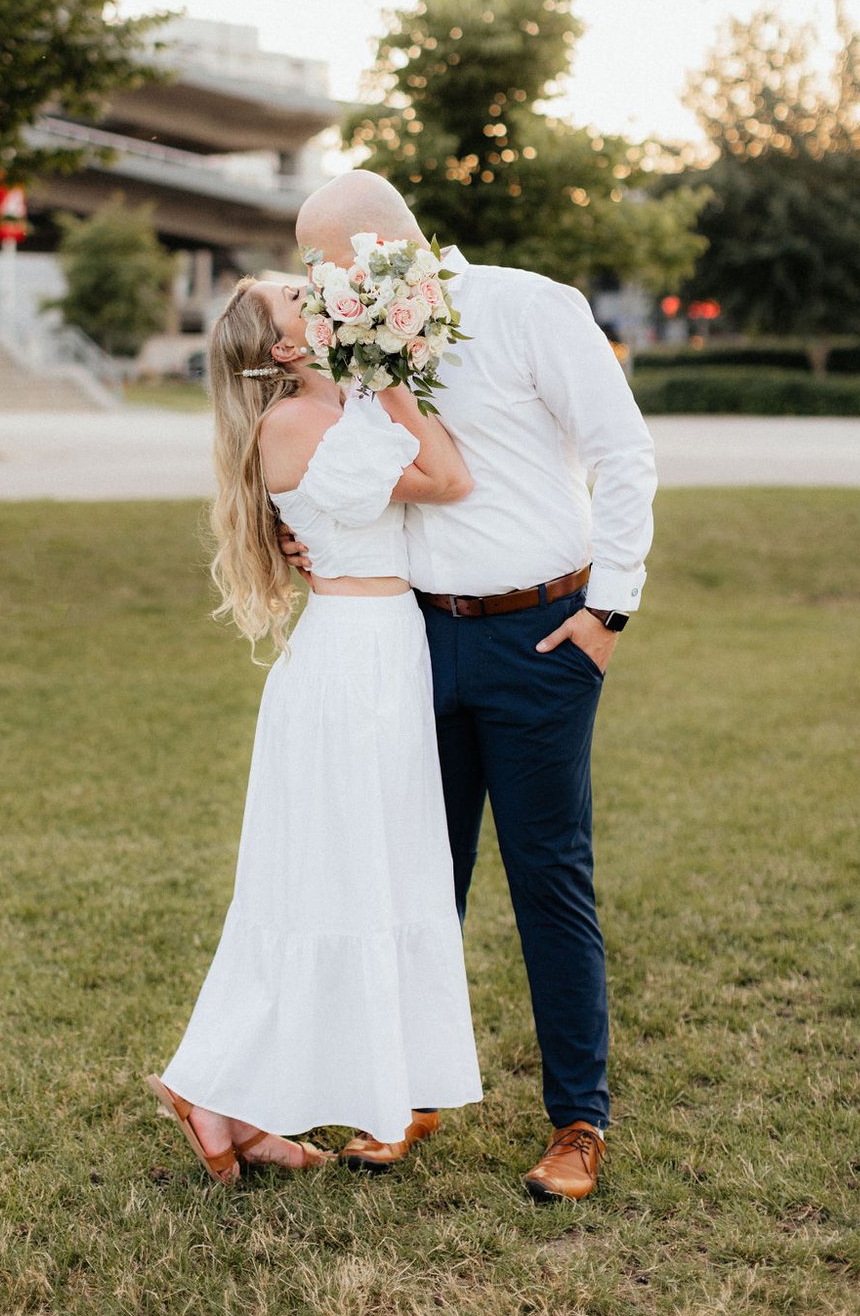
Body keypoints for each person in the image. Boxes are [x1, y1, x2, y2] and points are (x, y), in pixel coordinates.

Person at [284, 170, 658, 1200]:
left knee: (547, 878)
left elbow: (624, 454)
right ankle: (408, 1090)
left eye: (321, 263)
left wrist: (607, 611)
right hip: (412, 636)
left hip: (543, 633)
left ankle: (577, 1121)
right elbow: (365, 467)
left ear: (368, 249)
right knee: (413, 875)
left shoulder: (531, 306)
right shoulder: (354, 345)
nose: (314, 285)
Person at [146, 275, 483, 1183]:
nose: (318, 288)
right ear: (289, 349)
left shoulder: (334, 408)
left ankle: (233, 1107)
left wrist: (376, 375)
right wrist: (394, 361)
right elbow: (447, 477)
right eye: (299, 294)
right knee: (319, 885)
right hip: (353, 665)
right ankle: (214, 1088)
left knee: (348, 879)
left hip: (382, 650)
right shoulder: (297, 420)